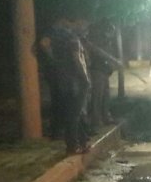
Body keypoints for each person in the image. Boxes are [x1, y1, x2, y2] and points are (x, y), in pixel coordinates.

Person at [39, 21, 91, 154]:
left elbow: (43, 44)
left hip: (62, 80)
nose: (85, 27)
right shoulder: (73, 40)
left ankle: (81, 142)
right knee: (75, 114)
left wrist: (52, 61)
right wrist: (85, 77)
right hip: (76, 80)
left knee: (71, 112)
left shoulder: (57, 40)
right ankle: (73, 145)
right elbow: (78, 59)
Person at [81, 21, 122, 129]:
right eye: (111, 31)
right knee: (97, 97)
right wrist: (113, 60)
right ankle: (96, 121)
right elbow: (99, 52)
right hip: (97, 70)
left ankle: (106, 117)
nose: (112, 34)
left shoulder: (107, 41)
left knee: (105, 95)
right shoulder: (98, 40)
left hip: (104, 71)